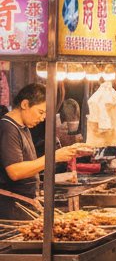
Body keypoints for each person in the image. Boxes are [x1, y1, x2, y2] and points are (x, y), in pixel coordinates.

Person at [1, 84, 90, 219]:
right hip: (11, 208)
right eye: (41, 112)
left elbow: (30, 166)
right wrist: (53, 157)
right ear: (25, 104)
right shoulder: (8, 128)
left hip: (23, 204)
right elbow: (15, 172)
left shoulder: (23, 128)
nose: (43, 118)